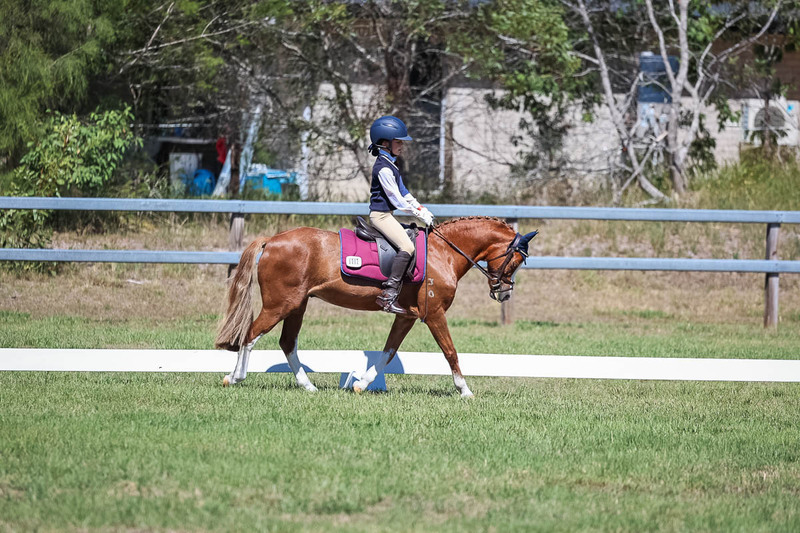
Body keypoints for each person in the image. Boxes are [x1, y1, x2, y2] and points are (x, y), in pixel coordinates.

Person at [367, 115, 435, 314]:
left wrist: (422, 208)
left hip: (388, 215)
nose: (402, 145)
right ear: (384, 143)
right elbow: (397, 200)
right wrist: (418, 215)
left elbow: (404, 192)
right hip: (381, 217)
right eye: (398, 142)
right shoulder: (383, 169)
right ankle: (388, 294)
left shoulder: (392, 164)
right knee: (407, 246)